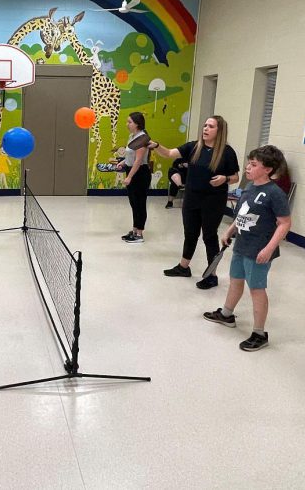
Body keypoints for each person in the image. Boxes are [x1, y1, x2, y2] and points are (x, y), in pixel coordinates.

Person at [202, 145, 291, 351]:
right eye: (248, 163)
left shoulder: (274, 193)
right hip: (242, 245)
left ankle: (259, 333)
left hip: (259, 250)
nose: (247, 168)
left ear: (268, 169)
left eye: (253, 165)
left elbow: (285, 223)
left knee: (257, 289)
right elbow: (242, 213)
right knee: (235, 281)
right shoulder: (251, 187)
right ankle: (226, 314)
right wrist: (230, 230)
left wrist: (269, 249)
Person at [149, 116, 240, 288]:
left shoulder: (227, 152)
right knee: (190, 233)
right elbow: (169, 153)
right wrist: (156, 146)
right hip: (192, 198)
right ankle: (184, 267)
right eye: (205, 125)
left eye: (210, 126)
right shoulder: (194, 147)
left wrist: (224, 178)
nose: (205, 128)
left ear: (219, 131)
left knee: (209, 236)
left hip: (213, 200)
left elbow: (235, 177)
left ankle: (212, 275)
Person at [116, 112, 152, 244]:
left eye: (129, 122)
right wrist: (123, 162)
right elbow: (130, 156)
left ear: (137, 124)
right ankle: (134, 230)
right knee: (133, 203)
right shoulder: (132, 136)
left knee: (140, 203)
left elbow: (138, 160)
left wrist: (130, 177)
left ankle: (140, 234)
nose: (127, 124)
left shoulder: (142, 138)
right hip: (132, 170)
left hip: (140, 173)